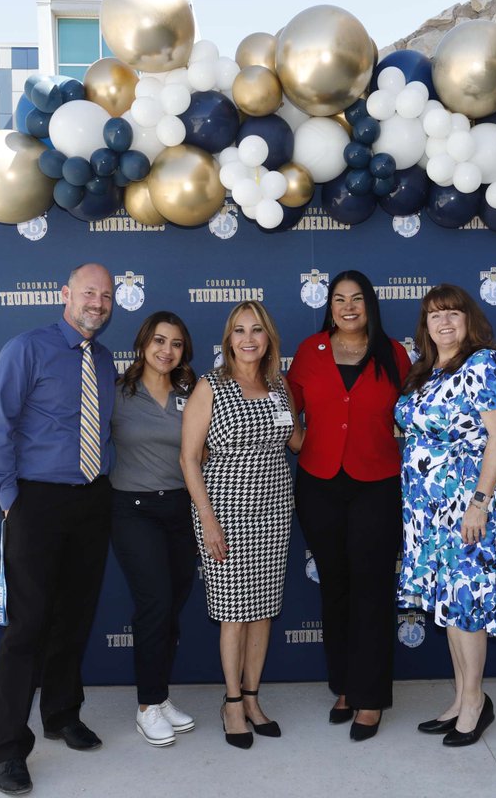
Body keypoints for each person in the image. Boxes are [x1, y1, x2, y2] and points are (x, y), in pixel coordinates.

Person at [0, 263, 116, 794]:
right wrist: (12, 500)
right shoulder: (26, 348)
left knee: (74, 618)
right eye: (89, 292)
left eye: (106, 296)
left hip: (91, 501)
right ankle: (9, 748)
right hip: (35, 501)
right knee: (28, 627)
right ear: (66, 294)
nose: (97, 302)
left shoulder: (103, 359)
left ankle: (61, 715)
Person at [286, 270, 411, 742]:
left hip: (376, 483)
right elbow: (285, 402)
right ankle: (343, 686)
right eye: (339, 299)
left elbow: (414, 410)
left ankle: (371, 696)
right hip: (318, 484)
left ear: (370, 304)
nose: (348, 307)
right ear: (330, 306)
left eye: (357, 298)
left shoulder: (394, 352)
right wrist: (297, 440)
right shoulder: (310, 350)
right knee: (334, 587)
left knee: (372, 589)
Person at [396, 283, 496, 748]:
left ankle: (475, 703)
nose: (444, 322)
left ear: (469, 320)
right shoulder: (426, 370)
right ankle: (462, 697)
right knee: (450, 606)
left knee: (467, 605)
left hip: (470, 507)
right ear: (425, 326)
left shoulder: (484, 364)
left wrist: (479, 502)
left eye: (452, 313)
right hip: (429, 511)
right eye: (434, 315)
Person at [180, 301, 303, 750]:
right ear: (228, 339)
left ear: (268, 337)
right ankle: (232, 702)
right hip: (226, 515)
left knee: (264, 611)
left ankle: (252, 698)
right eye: (239, 331)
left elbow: (297, 440)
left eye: (257, 330)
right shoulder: (211, 386)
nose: (248, 339)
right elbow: (189, 459)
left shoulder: (277, 385)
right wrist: (208, 521)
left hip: (273, 512)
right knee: (234, 615)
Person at [109, 312, 198, 747]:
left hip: (181, 510)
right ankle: (146, 707)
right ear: (144, 344)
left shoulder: (192, 392)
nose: (167, 350)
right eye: (159, 341)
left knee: (172, 606)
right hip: (133, 510)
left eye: (176, 343)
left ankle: (160, 698)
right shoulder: (117, 393)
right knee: (155, 604)